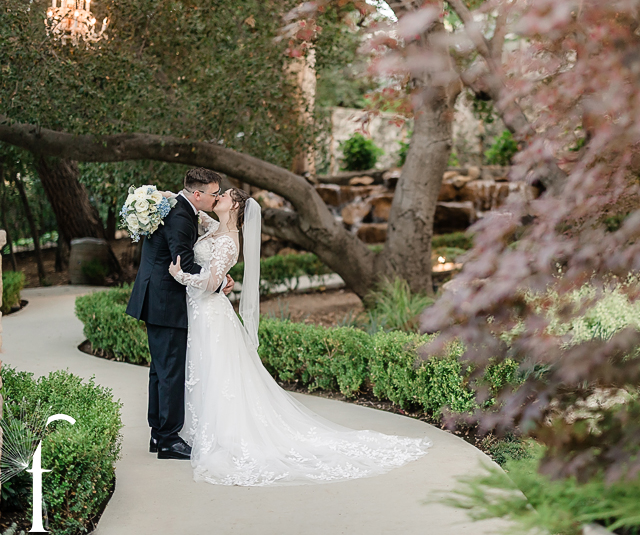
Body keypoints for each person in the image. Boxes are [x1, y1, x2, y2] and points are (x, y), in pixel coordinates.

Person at [168, 187, 431, 485]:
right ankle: (200, 427)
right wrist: (169, 196)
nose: (218, 197)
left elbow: (213, 280)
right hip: (202, 312)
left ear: (236, 206)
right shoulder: (215, 227)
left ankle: (224, 434)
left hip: (212, 313)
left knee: (219, 373)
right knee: (206, 371)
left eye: (224, 195)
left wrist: (182, 276)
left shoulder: (229, 241)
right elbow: (194, 210)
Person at [126, 167, 234, 460]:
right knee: (170, 371)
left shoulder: (177, 206)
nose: (215, 199)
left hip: (155, 297)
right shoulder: (181, 217)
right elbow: (183, 264)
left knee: (160, 370)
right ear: (197, 194)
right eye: (213, 194)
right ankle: (169, 440)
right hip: (165, 301)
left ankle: (158, 434)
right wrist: (220, 281)